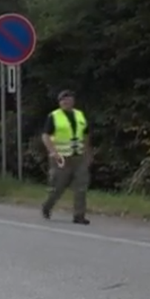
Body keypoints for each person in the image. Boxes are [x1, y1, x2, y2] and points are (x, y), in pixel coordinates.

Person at [40, 90, 91, 225]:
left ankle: (79, 215)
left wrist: (87, 153)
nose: (66, 102)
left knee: (81, 187)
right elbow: (45, 136)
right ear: (59, 102)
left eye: (68, 99)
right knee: (58, 186)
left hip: (78, 156)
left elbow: (85, 135)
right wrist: (53, 152)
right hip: (61, 158)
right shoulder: (54, 116)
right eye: (63, 100)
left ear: (73, 101)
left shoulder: (79, 115)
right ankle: (47, 206)